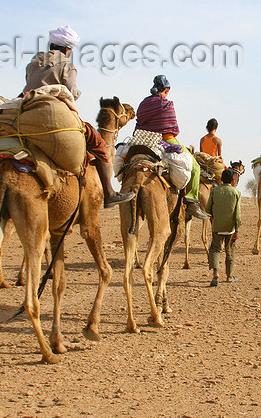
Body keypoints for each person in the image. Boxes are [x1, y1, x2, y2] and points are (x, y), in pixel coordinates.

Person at [22, 25, 134, 208]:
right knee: (97, 143)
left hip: (28, 110)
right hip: (52, 114)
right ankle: (109, 193)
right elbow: (71, 92)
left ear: (51, 44)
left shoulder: (33, 63)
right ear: (68, 48)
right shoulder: (67, 65)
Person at [135, 74, 208, 219]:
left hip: (143, 140)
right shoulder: (167, 104)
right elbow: (172, 128)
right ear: (166, 89)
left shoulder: (143, 103)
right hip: (165, 139)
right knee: (195, 166)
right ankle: (192, 201)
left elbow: (140, 121)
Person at [205, 169, 241, 286]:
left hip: (217, 226)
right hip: (230, 227)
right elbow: (237, 214)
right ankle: (229, 276)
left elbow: (207, 209)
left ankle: (215, 273)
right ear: (232, 180)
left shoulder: (215, 191)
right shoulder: (236, 192)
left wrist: (214, 216)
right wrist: (236, 229)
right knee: (230, 250)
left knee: (215, 249)